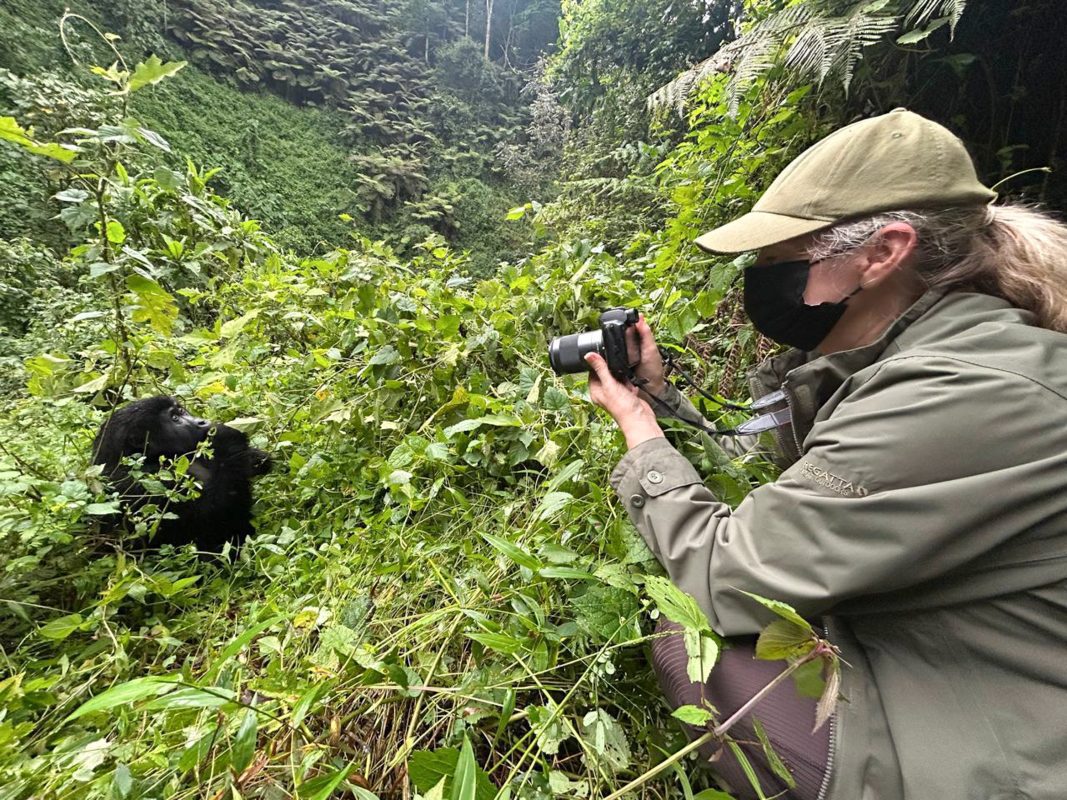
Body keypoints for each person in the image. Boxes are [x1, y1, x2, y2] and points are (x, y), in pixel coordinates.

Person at [583, 108, 1067, 800]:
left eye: (780, 263)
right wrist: (658, 398)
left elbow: (726, 574)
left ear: (881, 253)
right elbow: (791, 492)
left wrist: (637, 433)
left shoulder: (955, 393)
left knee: (689, 635)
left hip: (1014, 748)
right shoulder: (927, 352)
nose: (761, 281)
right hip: (966, 650)